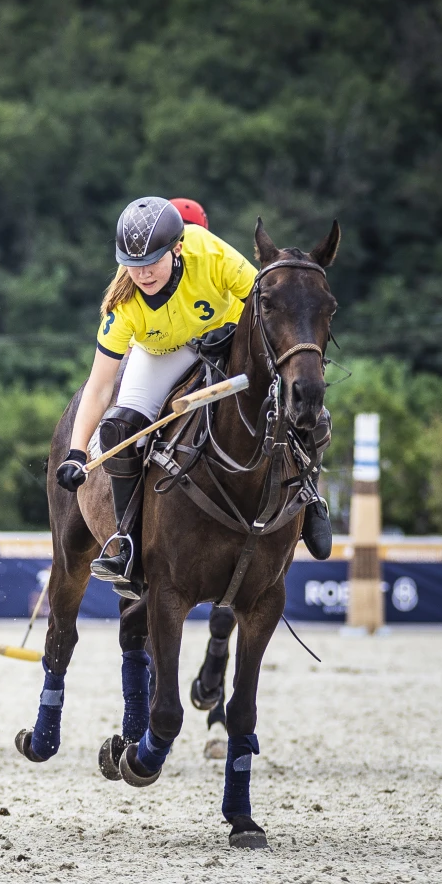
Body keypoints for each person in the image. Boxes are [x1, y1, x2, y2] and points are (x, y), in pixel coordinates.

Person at [52, 197, 332, 599]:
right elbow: (98, 386)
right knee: (118, 429)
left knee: (306, 409)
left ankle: (309, 498)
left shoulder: (209, 250)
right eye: (133, 263)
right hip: (160, 353)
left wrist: (236, 333)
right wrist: (77, 453)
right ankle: (126, 544)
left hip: (229, 338)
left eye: (152, 261)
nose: (142, 273)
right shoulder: (124, 304)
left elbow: (267, 303)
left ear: (178, 248)